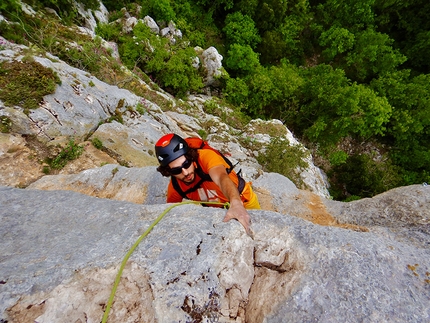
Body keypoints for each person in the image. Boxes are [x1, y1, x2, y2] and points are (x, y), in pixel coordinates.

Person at [155, 133, 260, 237]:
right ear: (169, 172)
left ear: (191, 157)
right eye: (177, 170)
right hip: (217, 212)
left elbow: (221, 177)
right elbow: (170, 213)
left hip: (243, 200)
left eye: (186, 164)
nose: (185, 172)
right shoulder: (176, 187)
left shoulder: (206, 157)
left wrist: (236, 203)